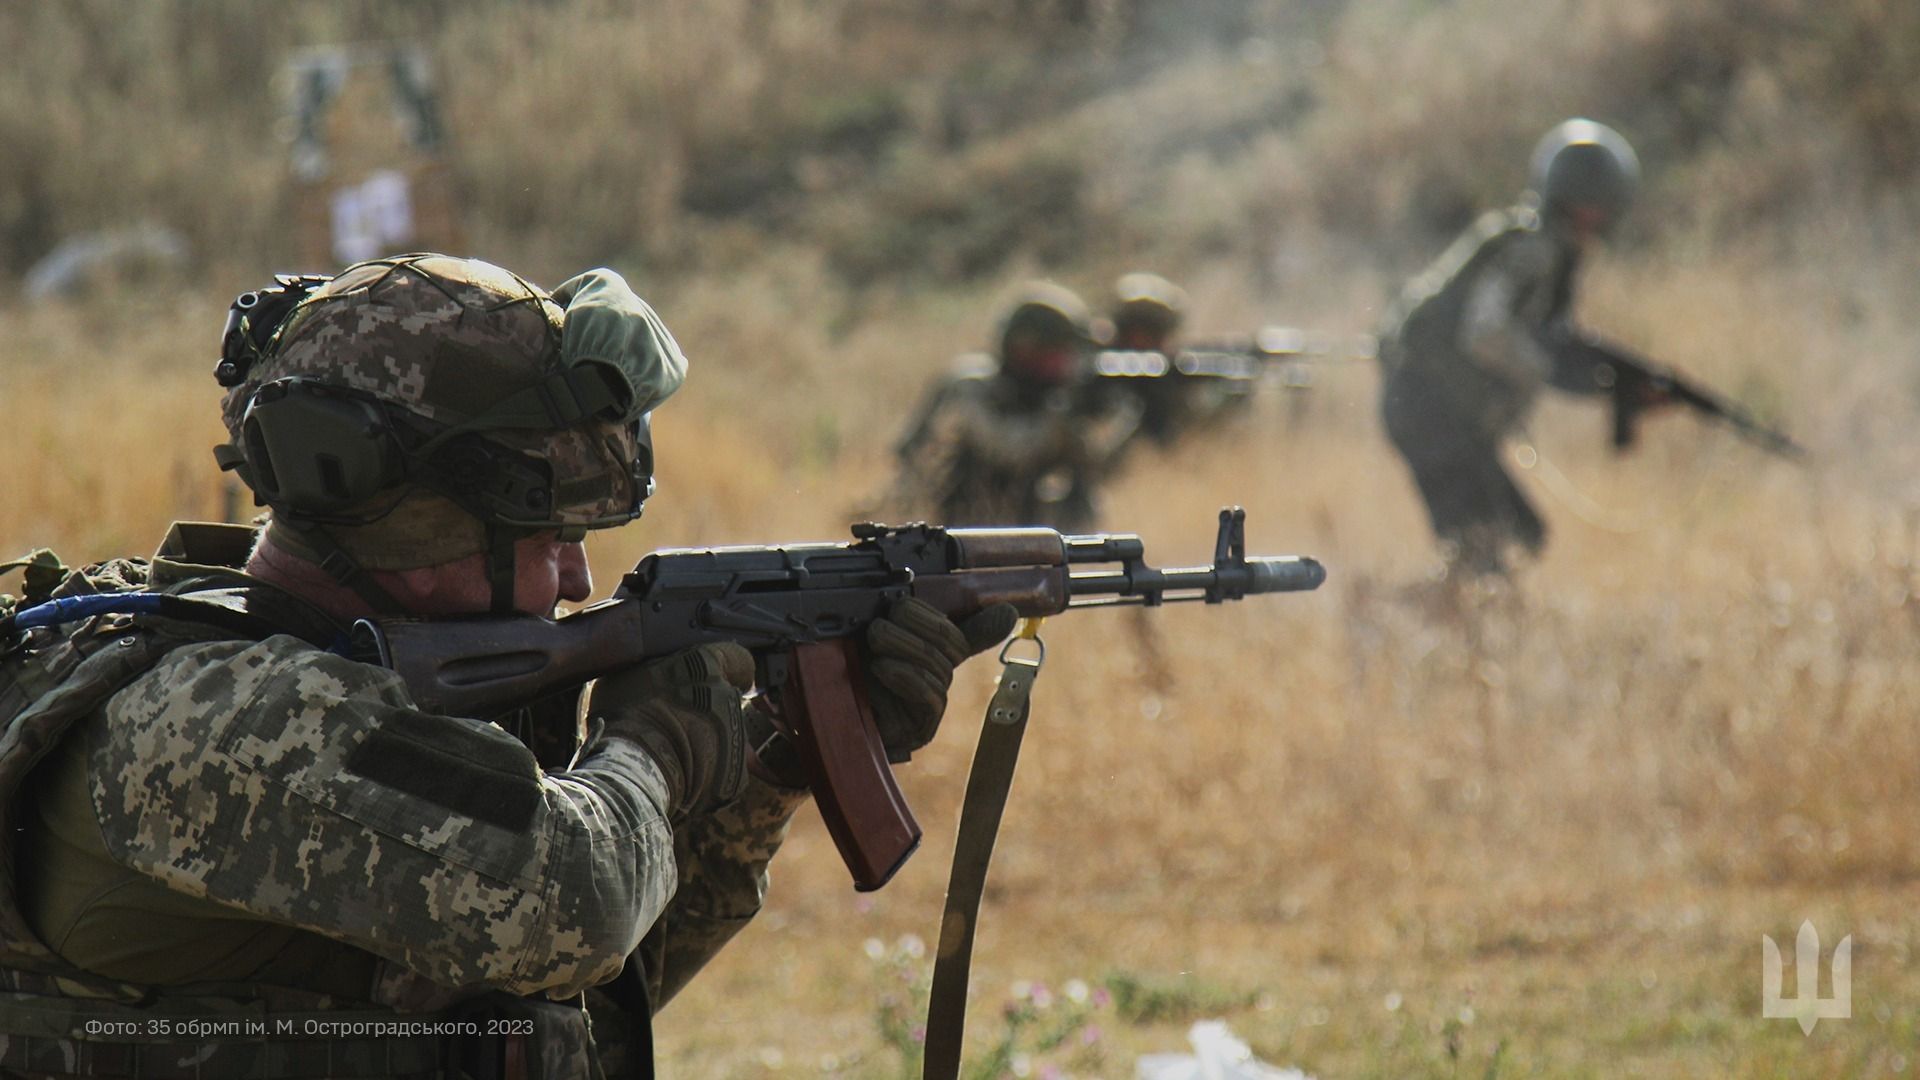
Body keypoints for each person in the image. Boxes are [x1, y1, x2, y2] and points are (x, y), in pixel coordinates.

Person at [0, 253, 1013, 1078]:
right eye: (547, 532)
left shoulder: (338, 680)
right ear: (415, 519)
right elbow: (570, 907)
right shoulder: (223, 716)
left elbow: (559, 1005)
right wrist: (652, 745)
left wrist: (773, 762)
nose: (576, 577)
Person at [1376, 118, 1656, 575]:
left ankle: (1416, 612)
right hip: (1433, 417)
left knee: (1523, 536)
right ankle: (1395, 615)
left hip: (1442, 417)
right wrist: (1550, 372)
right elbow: (1486, 332)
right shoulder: (1534, 250)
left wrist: (1610, 383)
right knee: (1482, 555)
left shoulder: (1546, 247)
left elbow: (1548, 337)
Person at [890, 282, 1141, 532]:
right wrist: (1062, 422)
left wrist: (1119, 421)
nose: (1070, 363)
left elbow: (1100, 467)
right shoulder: (970, 388)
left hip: (1015, 533)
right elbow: (1007, 451)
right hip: (949, 534)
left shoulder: (1050, 399)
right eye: (1062, 351)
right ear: (1026, 349)